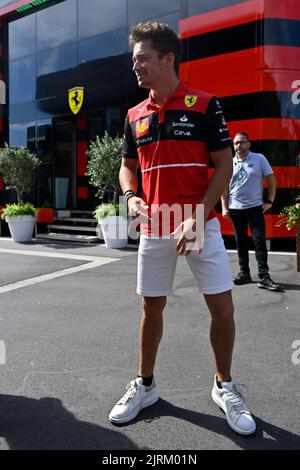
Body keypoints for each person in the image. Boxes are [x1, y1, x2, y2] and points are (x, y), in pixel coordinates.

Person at [109, 21, 256, 436]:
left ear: (167, 57)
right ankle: (146, 386)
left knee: (222, 308)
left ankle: (224, 385)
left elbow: (224, 164)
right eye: (134, 59)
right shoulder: (134, 115)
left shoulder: (205, 104)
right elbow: (127, 167)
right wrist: (130, 196)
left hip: (201, 224)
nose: (135, 67)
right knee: (151, 308)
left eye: (142, 58)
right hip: (155, 227)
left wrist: (197, 212)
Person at [221, 132, 281, 291]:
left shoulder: (259, 159)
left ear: (249, 144)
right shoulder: (230, 163)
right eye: (235, 143)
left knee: (259, 241)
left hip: (255, 208)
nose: (238, 146)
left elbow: (271, 179)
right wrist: (224, 207)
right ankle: (244, 273)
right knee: (240, 242)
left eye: (241, 142)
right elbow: (223, 188)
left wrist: (270, 201)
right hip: (235, 209)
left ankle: (264, 277)